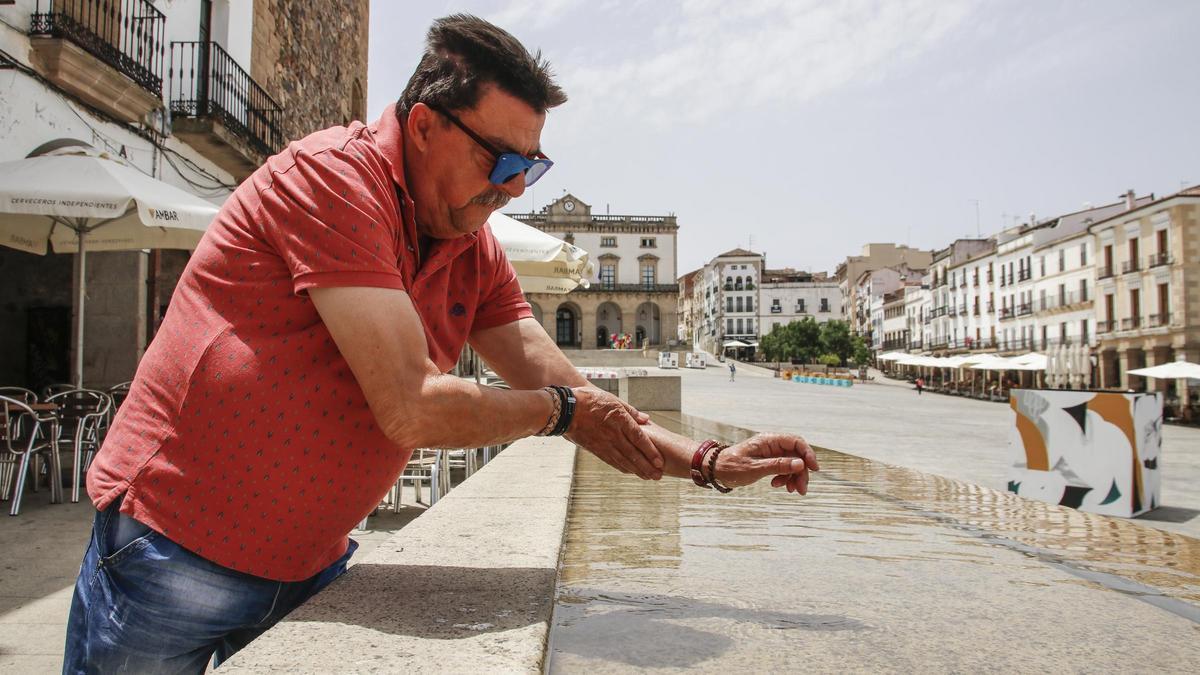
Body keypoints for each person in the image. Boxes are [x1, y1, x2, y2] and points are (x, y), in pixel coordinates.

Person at [63, 14, 818, 673]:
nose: (517, 187)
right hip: (170, 553)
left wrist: (711, 463)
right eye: (503, 161)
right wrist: (556, 413)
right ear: (425, 124)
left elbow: (563, 379)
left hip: (307, 564)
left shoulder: (470, 243)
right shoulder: (335, 181)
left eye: (533, 166)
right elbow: (409, 406)